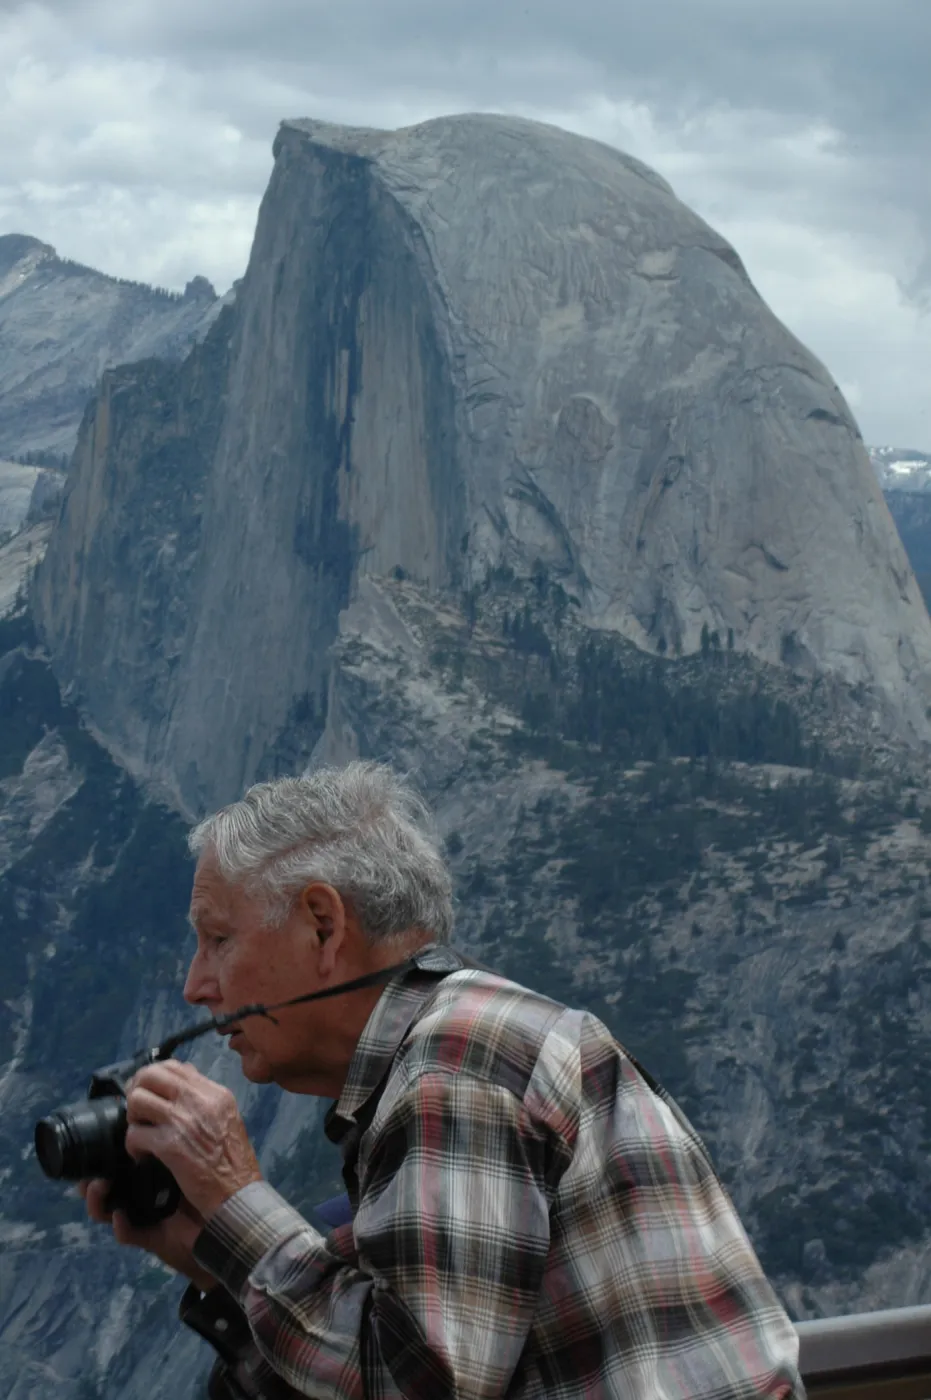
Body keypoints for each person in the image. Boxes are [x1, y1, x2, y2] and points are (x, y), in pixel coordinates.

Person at [82, 761, 805, 1399]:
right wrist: (216, 1261)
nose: (195, 986)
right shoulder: (444, 1054)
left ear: (323, 926)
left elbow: (414, 1386)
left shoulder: (458, 1061)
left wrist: (234, 1197)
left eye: (217, 938)